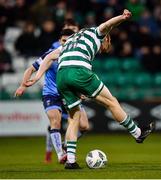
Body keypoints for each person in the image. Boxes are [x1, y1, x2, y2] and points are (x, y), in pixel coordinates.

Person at [25, 9, 154, 169]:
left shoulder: (71, 39)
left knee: (74, 117)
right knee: (111, 102)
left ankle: (71, 161)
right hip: (79, 70)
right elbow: (108, 24)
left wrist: (37, 77)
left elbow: (50, 57)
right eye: (108, 43)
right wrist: (123, 17)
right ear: (106, 38)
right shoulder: (96, 32)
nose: (106, 47)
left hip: (62, 76)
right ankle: (138, 133)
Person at [15, 28, 89, 164]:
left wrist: (81, 91)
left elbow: (80, 77)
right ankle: (61, 154)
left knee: (84, 126)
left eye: (68, 41)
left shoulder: (76, 56)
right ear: (59, 41)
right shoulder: (50, 55)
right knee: (55, 122)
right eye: (63, 41)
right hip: (51, 93)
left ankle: (65, 144)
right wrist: (22, 85)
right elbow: (31, 69)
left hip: (68, 93)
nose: (65, 43)